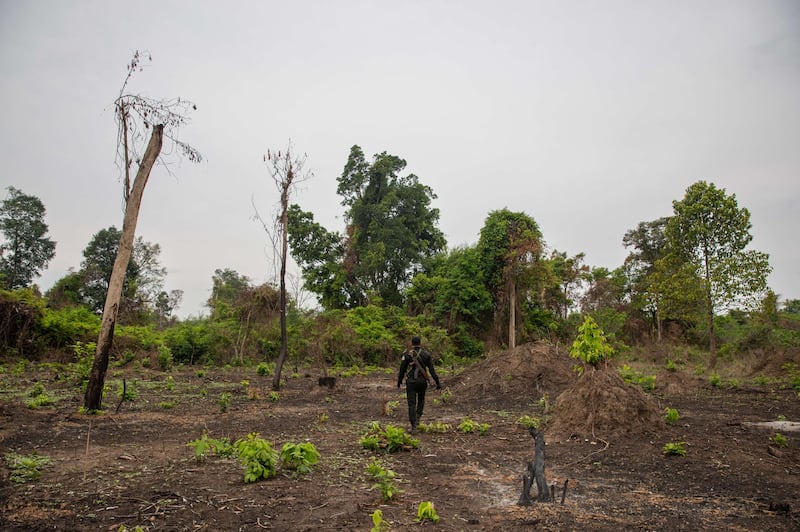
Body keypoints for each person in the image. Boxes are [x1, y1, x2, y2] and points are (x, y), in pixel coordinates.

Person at [397, 336, 441, 432]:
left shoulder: (407, 354)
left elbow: (402, 369)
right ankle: (417, 417)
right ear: (420, 343)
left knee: (411, 403)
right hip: (422, 381)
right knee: (421, 399)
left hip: (411, 382)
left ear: (412, 343)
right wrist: (438, 383)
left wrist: (399, 381)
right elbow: (432, 371)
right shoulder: (426, 355)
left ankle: (413, 426)